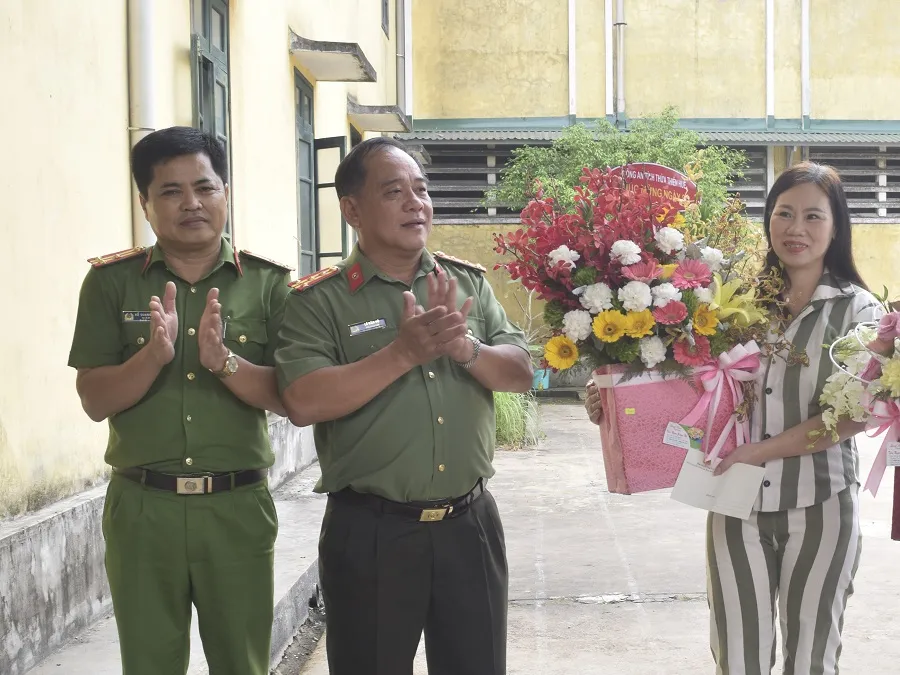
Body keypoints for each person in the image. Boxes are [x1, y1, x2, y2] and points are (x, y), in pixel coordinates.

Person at [585, 162, 881, 674]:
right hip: (733, 500)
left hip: (822, 504)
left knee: (812, 657)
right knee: (737, 655)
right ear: (767, 221)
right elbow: (692, 385)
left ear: (836, 227)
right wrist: (616, 401)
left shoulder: (861, 313)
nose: (796, 229)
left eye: (813, 216)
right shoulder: (737, 302)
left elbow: (853, 416)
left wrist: (760, 452)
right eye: (783, 214)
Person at [275, 136, 533, 675]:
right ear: (352, 210)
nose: (416, 203)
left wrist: (465, 349)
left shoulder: (465, 283)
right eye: (394, 192)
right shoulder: (318, 301)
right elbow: (303, 400)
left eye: (421, 189)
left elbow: (520, 372)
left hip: (470, 525)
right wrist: (403, 353)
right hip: (372, 532)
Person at [68, 126, 291, 675]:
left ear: (226, 194)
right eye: (169, 191)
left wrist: (225, 364)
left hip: (236, 507)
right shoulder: (110, 283)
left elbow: (293, 398)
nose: (191, 203)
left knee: (242, 663)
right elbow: (95, 399)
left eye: (205, 187)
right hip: (143, 509)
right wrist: (150, 359)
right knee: (148, 663)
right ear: (145, 204)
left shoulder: (269, 284)